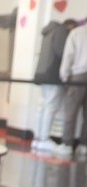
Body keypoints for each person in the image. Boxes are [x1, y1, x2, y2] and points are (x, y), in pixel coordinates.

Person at [32, 18, 77, 155]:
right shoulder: (61, 32)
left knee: (42, 107)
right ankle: (44, 138)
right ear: (69, 26)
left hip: (42, 73)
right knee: (51, 108)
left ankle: (38, 138)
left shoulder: (48, 31)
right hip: (53, 75)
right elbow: (61, 52)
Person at [58, 18, 87, 159]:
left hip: (78, 75)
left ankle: (67, 144)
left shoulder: (76, 33)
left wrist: (64, 75)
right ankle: (84, 145)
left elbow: (68, 55)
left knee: (71, 111)